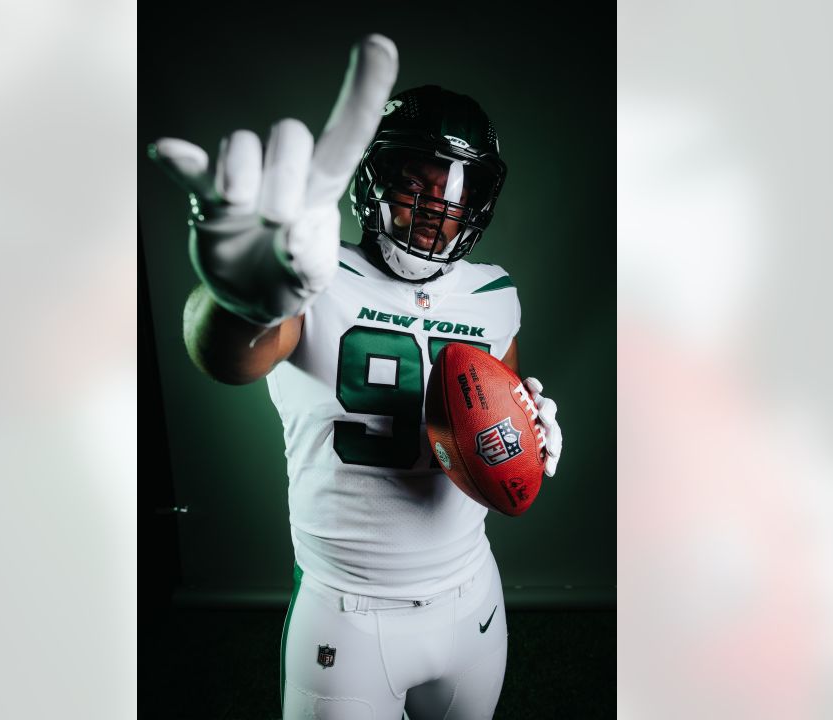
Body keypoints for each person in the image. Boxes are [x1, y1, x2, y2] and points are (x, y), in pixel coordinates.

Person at [151, 34, 563, 719]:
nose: (437, 207)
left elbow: (484, 412)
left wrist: (526, 432)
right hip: (347, 613)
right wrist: (236, 301)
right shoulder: (306, 270)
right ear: (376, 181)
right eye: (415, 180)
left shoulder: (494, 294)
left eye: (456, 188)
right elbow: (225, 356)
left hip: (472, 597)